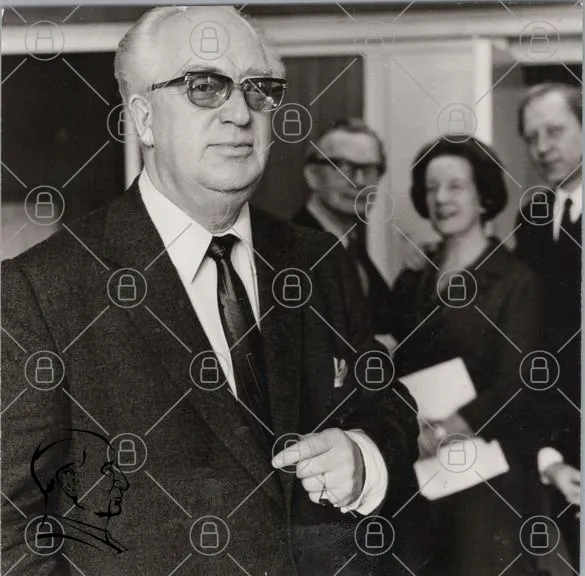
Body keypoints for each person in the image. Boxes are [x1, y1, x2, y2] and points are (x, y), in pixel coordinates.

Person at [1, 6, 419, 576]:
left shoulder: (318, 261)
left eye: (259, 90)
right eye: (204, 87)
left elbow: (388, 402)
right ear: (143, 119)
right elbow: (12, 532)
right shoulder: (41, 291)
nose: (241, 114)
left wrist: (366, 458)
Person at [387, 135, 540, 576]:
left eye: (455, 186)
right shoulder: (412, 279)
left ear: (483, 195)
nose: (441, 198)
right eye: (431, 188)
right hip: (418, 471)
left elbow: (518, 382)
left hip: (483, 478)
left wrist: (446, 430)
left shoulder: (513, 280)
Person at [515, 83, 582, 569]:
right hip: (560, 431)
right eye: (532, 136)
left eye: (554, 131)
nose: (542, 147)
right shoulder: (533, 218)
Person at [293, 119, 395, 336]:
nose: (360, 181)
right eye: (345, 168)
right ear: (313, 175)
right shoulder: (290, 249)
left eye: (370, 169)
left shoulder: (351, 246)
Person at [31, 429, 129, 554]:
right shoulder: (58, 550)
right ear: (69, 482)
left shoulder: (104, 545)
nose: (124, 483)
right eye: (108, 470)